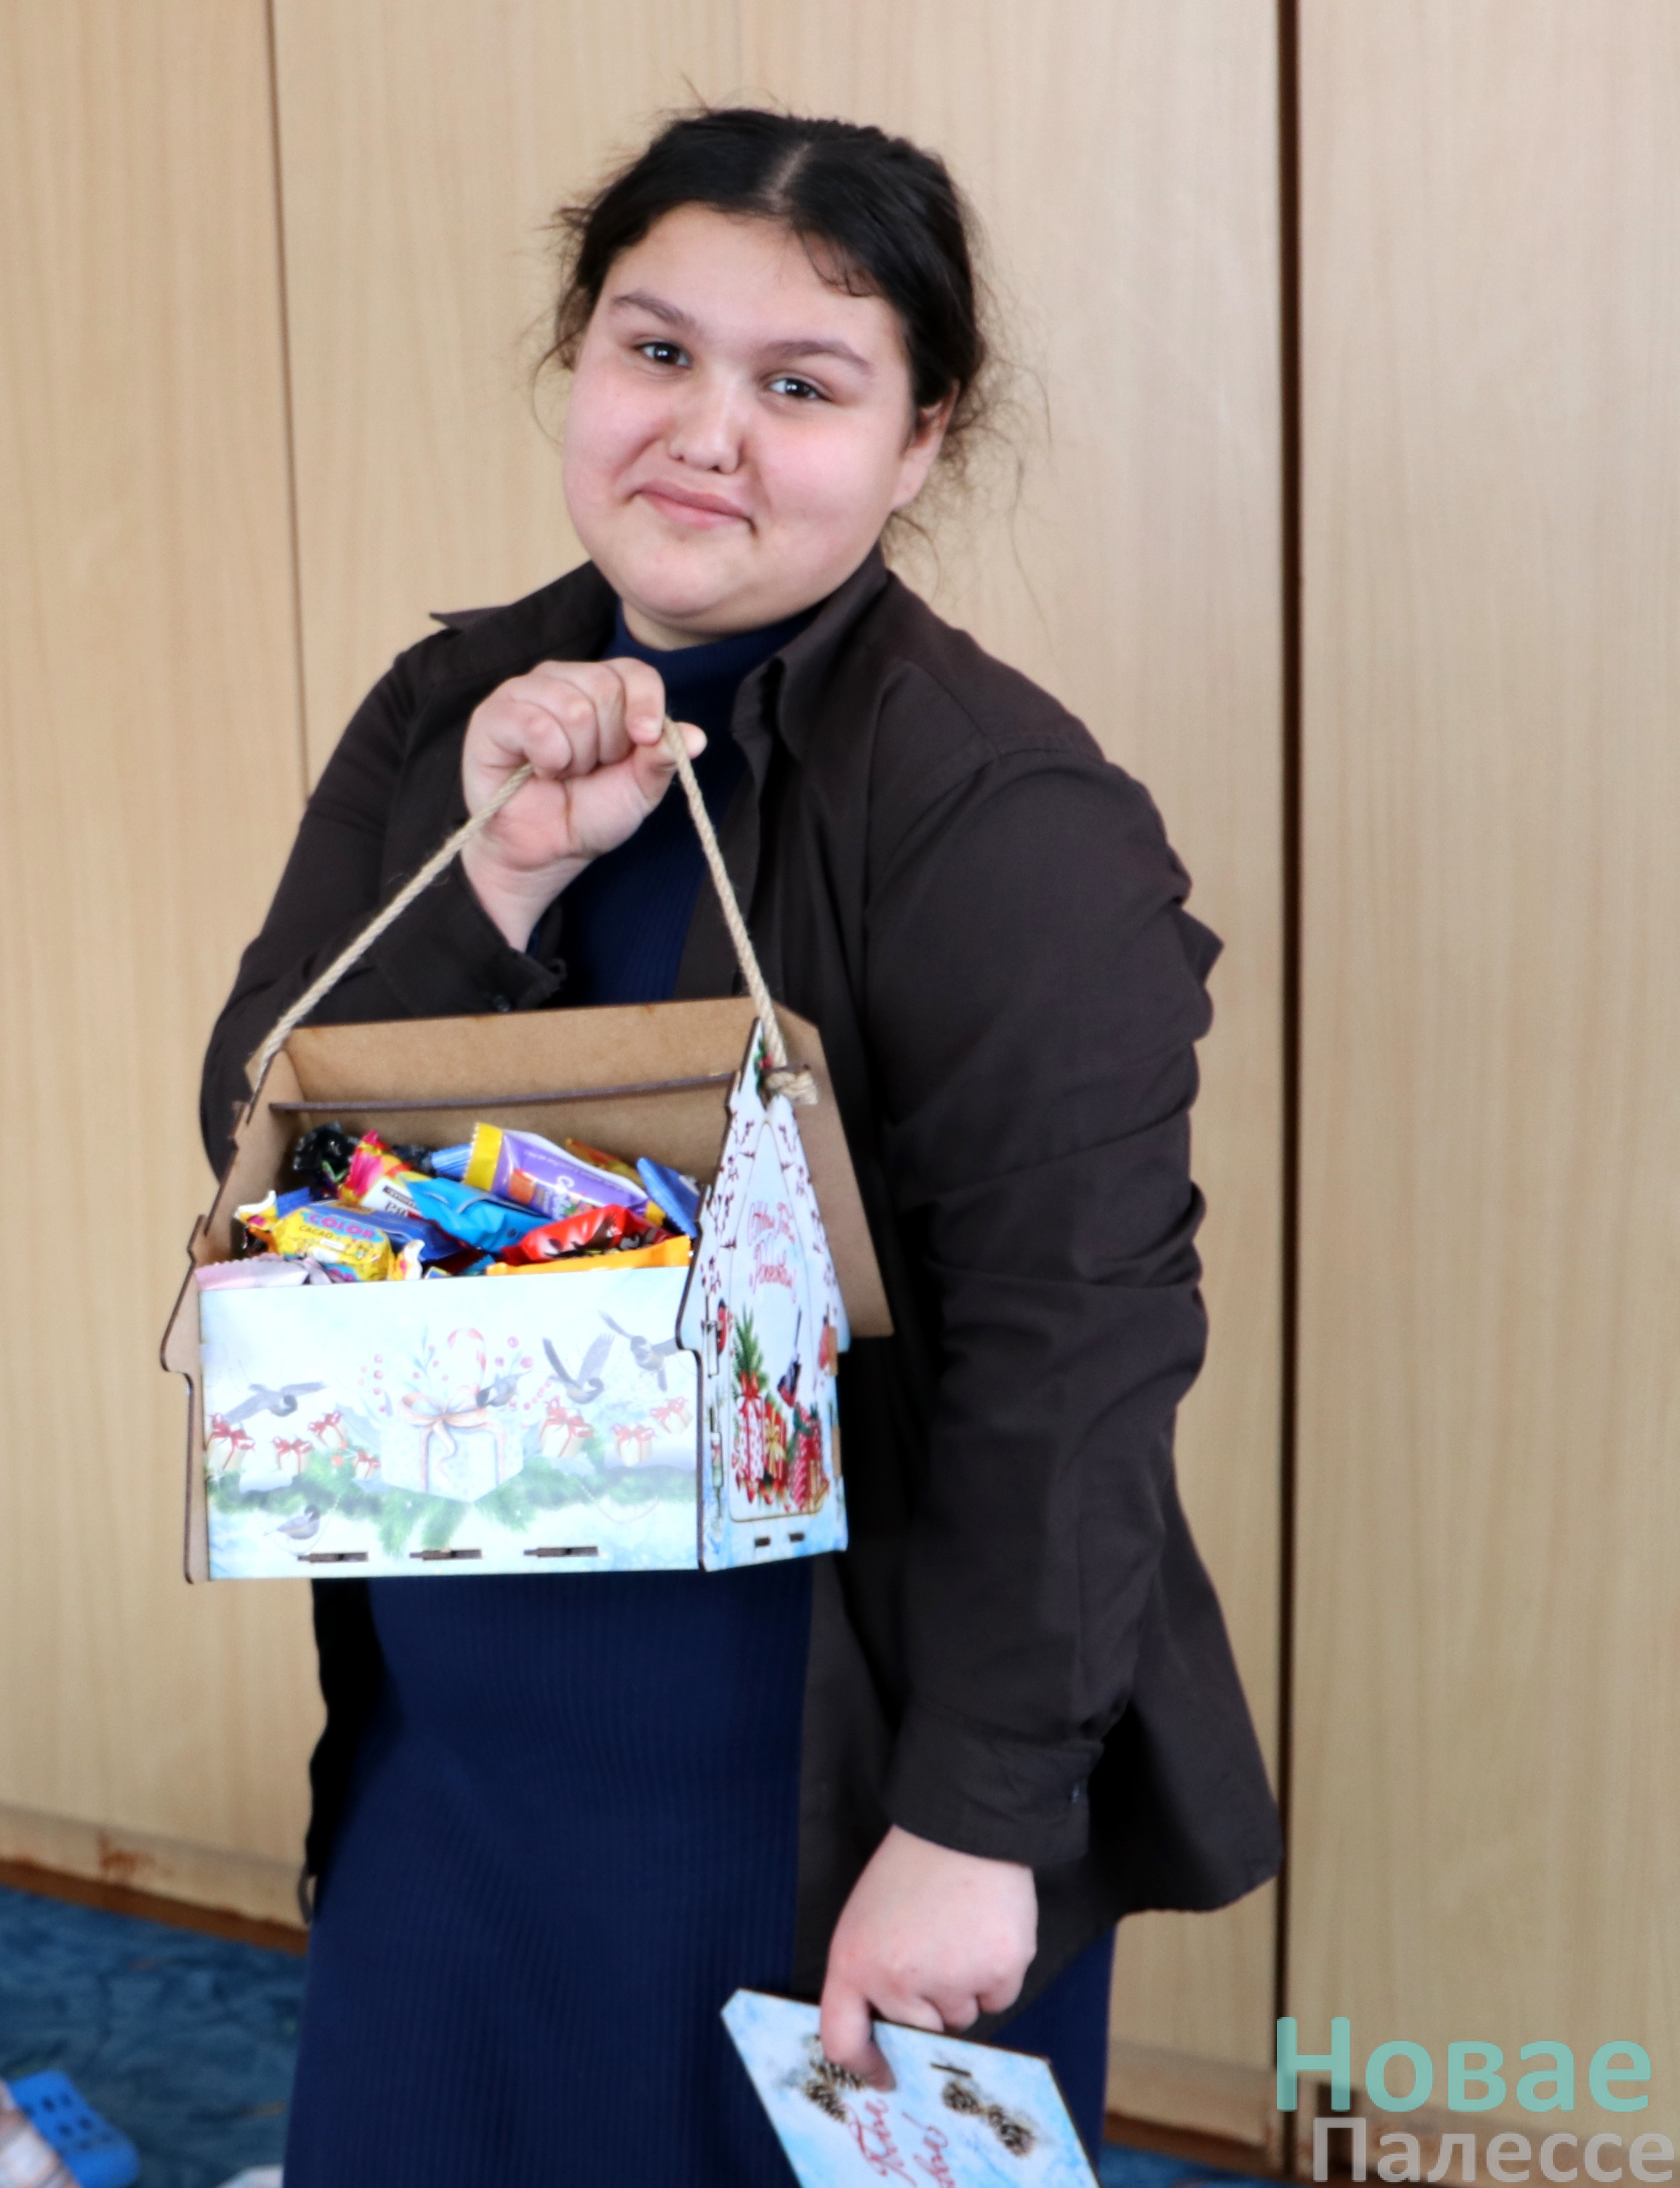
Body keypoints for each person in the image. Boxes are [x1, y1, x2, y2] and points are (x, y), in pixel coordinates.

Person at [201, 106, 1280, 2187]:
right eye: (656, 351)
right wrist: (502, 871)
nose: (704, 433)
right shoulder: (451, 708)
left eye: (801, 384)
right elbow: (260, 1146)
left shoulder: (1000, 815)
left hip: (811, 1761)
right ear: (579, 356)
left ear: (920, 439)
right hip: (467, 1710)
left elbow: (1072, 1359)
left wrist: (975, 1821)